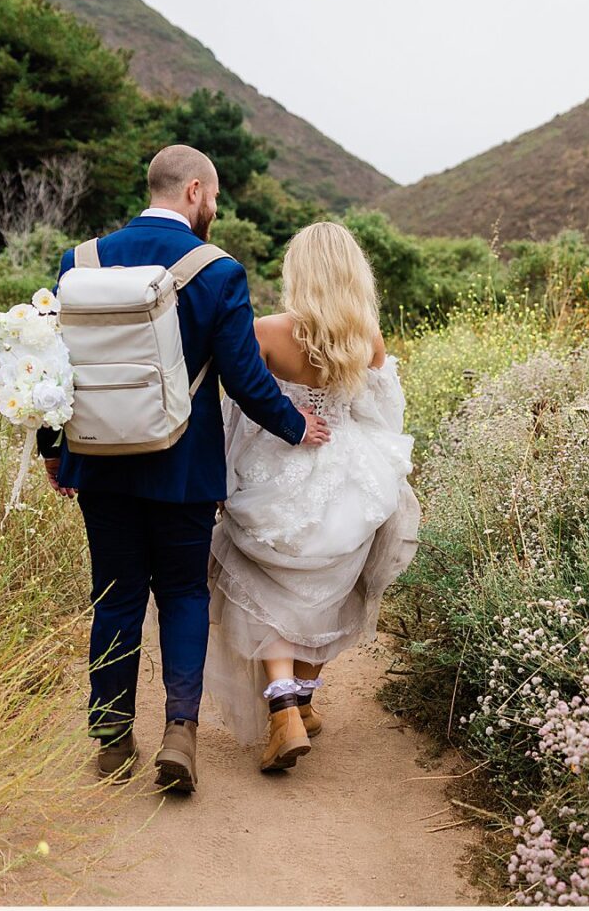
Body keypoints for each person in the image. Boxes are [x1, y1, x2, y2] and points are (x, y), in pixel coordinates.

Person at [38, 144, 332, 793]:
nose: (216, 210)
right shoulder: (218, 270)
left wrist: (55, 451)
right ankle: (180, 734)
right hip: (183, 469)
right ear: (195, 191)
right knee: (182, 594)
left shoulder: (79, 262)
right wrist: (295, 425)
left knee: (114, 598)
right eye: (216, 198)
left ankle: (112, 738)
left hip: (101, 464)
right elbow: (244, 378)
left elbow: (52, 369)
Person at [203, 221, 420, 772]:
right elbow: (381, 417)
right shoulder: (366, 338)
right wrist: (375, 470)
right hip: (346, 472)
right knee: (326, 589)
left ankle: (283, 708)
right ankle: (302, 697)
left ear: (299, 272)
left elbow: (241, 411)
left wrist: (226, 478)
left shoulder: (266, 332)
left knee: (263, 583)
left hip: (277, 465)